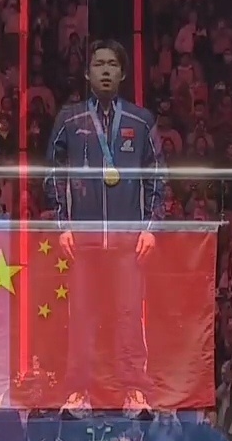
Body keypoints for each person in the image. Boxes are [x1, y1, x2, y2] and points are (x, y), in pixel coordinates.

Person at [45, 39, 166, 411]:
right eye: (99, 64)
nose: (106, 70)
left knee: (130, 316)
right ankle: (78, 393)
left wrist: (150, 227)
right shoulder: (70, 119)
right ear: (87, 73)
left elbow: (158, 176)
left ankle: (135, 392)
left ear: (123, 73)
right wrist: (62, 225)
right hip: (82, 243)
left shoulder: (141, 121)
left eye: (113, 64)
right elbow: (52, 172)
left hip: (128, 243)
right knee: (81, 316)